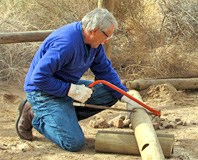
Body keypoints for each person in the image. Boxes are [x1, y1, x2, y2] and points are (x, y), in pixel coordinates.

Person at [16, 8, 136, 152]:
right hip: (42, 91)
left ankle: (62, 118)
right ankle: (34, 115)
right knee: (73, 143)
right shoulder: (66, 44)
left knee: (110, 92)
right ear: (94, 30)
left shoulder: (93, 44)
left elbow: (105, 70)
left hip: (65, 87)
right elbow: (38, 78)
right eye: (106, 36)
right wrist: (70, 90)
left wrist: (125, 95)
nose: (106, 41)